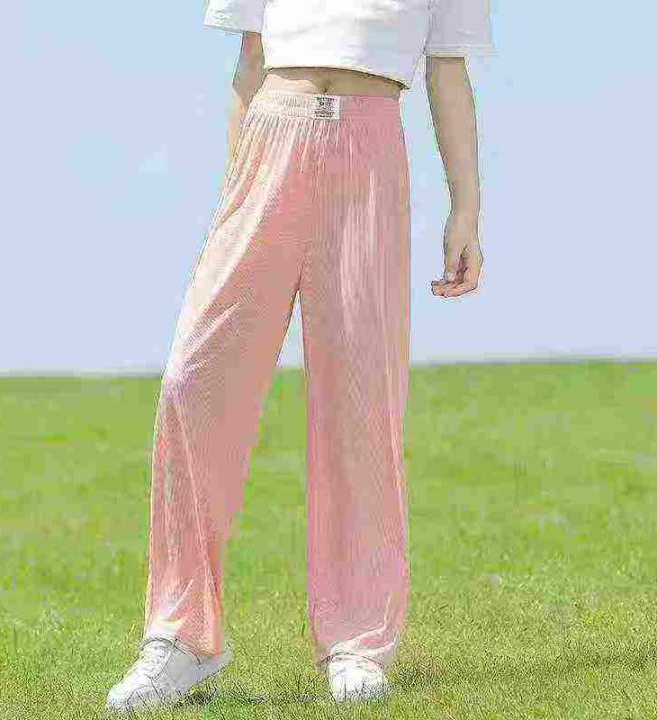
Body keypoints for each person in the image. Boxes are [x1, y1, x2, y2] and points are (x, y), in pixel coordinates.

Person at [106, 0, 494, 712]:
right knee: (192, 380)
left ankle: (358, 641)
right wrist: (235, 197)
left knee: (361, 399)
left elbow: (448, 71)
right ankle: (183, 637)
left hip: (369, 153)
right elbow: (249, 61)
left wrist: (465, 208)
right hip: (269, 142)